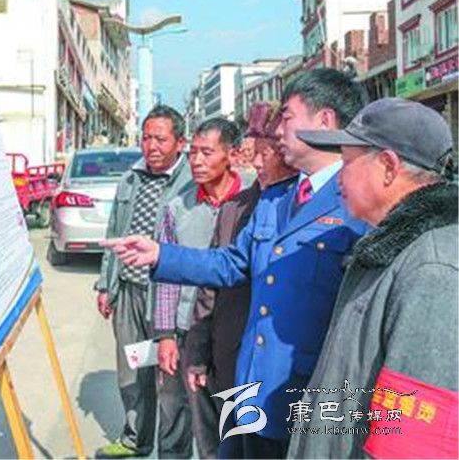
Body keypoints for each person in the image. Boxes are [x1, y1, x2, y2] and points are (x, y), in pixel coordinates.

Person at [102, 68, 370, 458]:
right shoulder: (277, 198)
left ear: (325, 120)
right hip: (249, 383)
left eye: (287, 118)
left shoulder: (357, 200)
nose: (279, 131)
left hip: (309, 394)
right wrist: (160, 254)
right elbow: (230, 264)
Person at [287, 97, 458, 458]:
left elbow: (411, 442)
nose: (338, 180)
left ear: (388, 166)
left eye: (346, 163)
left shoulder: (433, 269)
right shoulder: (388, 247)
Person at [182, 102, 297, 459]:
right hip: (231, 361)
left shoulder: (307, 211)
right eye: (252, 153)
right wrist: (197, 355)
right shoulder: (235, 209)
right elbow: (209, 290)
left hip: (285, 371)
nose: (257, 163)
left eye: (265, 153)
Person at [94, 105, 192, 459]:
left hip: (169, 295)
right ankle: (136, 439)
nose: (151, 146)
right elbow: (114, 231)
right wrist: (105, 285)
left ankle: (173, 450)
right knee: (133, 371)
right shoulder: (130, 179)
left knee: (170, 380)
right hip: (130, 292)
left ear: (180, 142)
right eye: (146, 138)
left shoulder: (191, 182)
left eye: (160, 139)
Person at [152, 117, 253, 459]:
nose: (196, 161)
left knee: (239, 428)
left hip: (237, 334)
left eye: (206, 153)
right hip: (189, 331)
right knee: (200, 425)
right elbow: (167, 277)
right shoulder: (177, 207)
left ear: (232, 155)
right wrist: (165, 335)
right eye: (192, 152)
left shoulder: (253, 200)